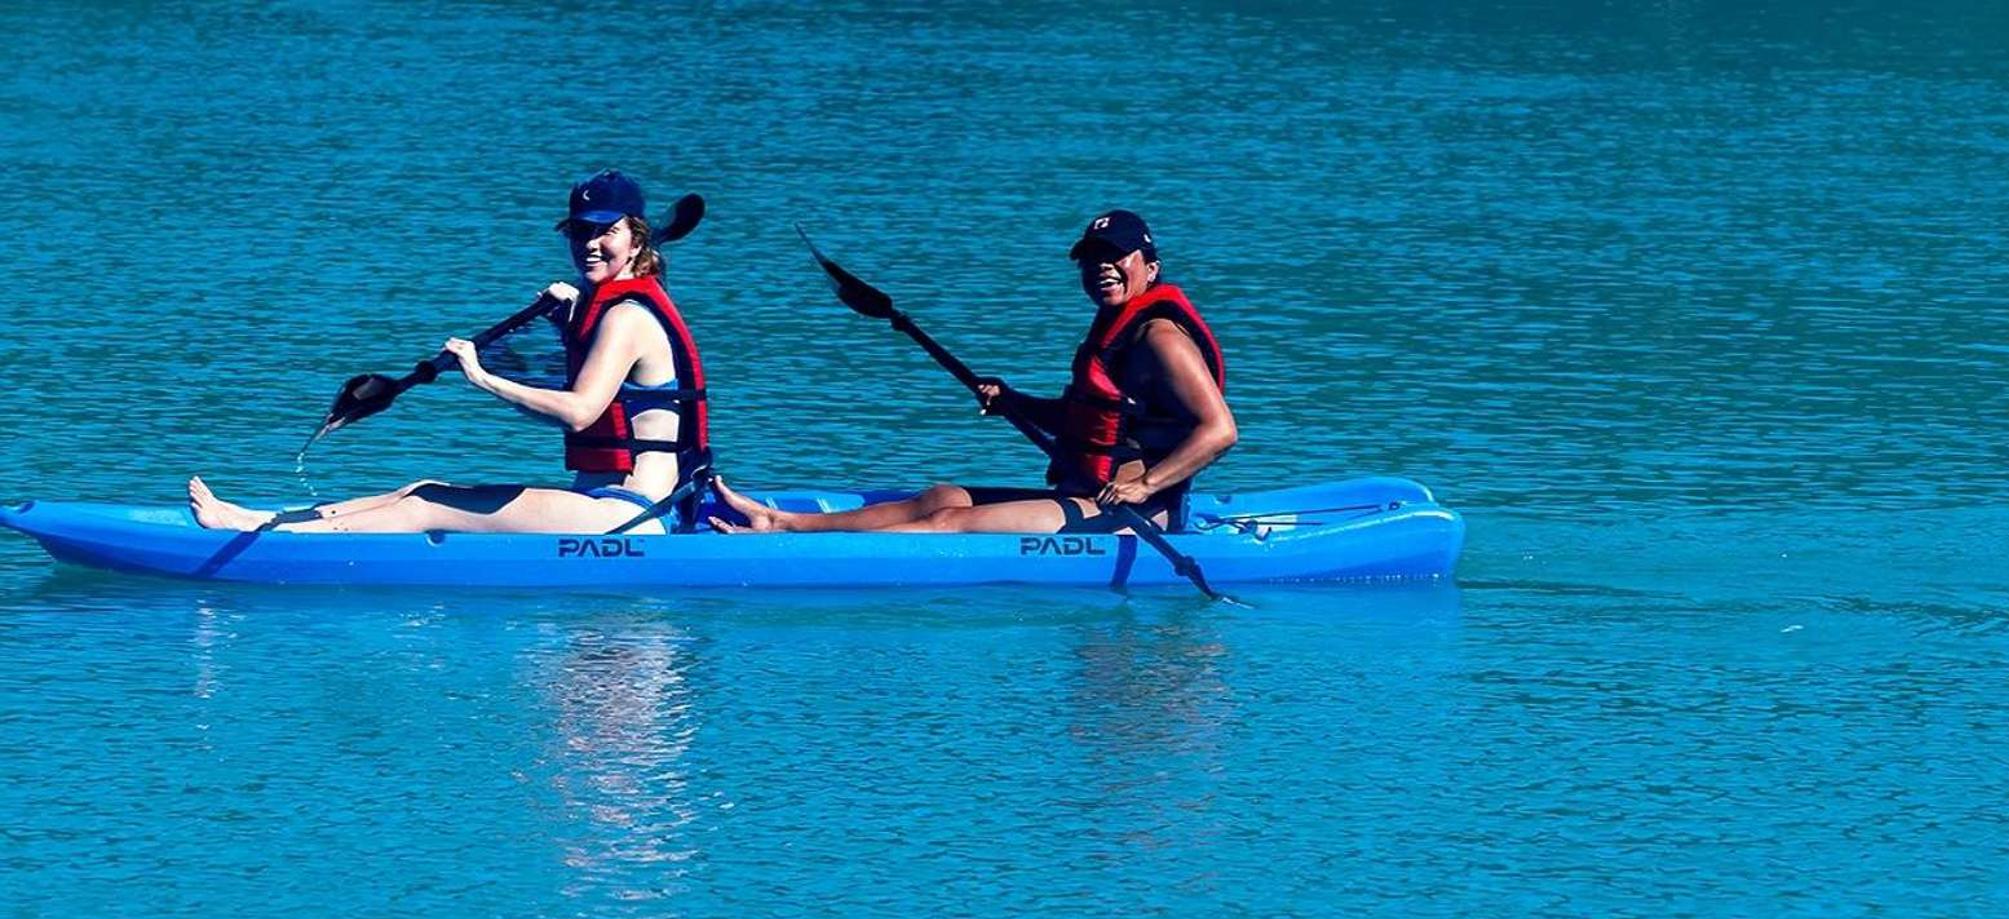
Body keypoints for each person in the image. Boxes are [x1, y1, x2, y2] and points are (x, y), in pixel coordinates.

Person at [188, 170, 710, 534]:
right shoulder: (609, 307)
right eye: (580, 232)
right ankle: (265, 521)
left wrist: (482, 378)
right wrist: (567, 319)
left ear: (637, 240)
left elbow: (579, 412)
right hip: (608, 504)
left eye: (607, 233)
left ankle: (272, 544)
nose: (591, 244)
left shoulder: (625, 316)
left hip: (632, 515)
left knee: (426, 506)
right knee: (423, 486)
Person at [712, 209, 1233, 534]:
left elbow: (1219, 431)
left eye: (1116, 257)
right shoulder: (1113, 330)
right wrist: (1014, 401)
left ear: (1150, 268)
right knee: (940, 497)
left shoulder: (1159, 337)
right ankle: (786, 520)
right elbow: (1086, 421)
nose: (1101, 267)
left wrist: (1146, 487)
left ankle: (790, 545)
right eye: (1091, 259)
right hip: (1082, 496)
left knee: (949, 522)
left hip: (1136, 515)